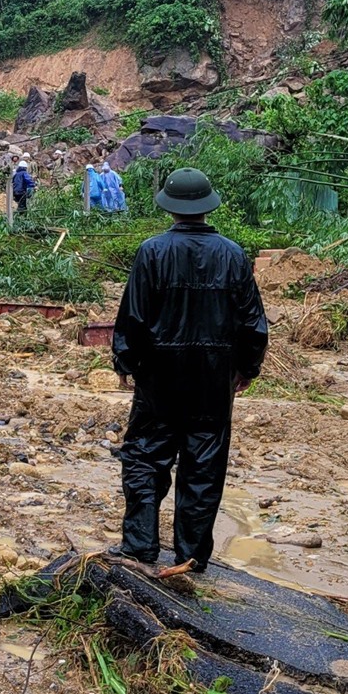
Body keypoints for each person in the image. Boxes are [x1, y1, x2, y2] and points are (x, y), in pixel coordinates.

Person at [111, 168, 269, 578]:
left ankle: (140, 546)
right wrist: (247, 367)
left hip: (159, 377)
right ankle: (191, 556)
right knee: (204, 466)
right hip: (213, 381)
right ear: (206, 207)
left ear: (170, 207)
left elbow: (133, 315)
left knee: (145, 457)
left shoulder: (152, 251)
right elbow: (253, 322)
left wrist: (126, 362)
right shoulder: (233, 254)